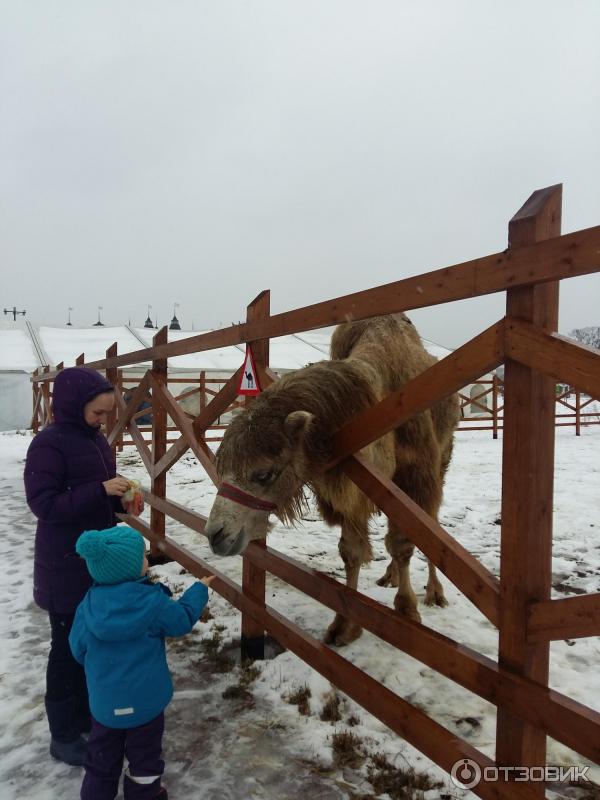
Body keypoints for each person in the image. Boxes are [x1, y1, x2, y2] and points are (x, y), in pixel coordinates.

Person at [24, 366, 139, 766]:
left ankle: (90, 715)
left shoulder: (95, 442)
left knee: (92, 646)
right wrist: (99, 491)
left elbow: (98, 493)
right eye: (98, 413)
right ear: (75, 406)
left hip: (97, 564)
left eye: (107, 414)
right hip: (64, 565)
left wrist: (118, 500)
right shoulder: (48, 444)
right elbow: (45, 505)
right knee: (66, 651)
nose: (104, 421)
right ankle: (64, 733)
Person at [69, 525, 214, 800]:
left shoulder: (88, 606)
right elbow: (181, 619)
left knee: (100, 762)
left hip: (105, 706)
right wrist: (199, 590)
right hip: (146, 706)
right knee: (145, 760)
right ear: (130, 568)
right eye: (143, 558)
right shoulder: (152, 603)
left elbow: (77, 649)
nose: (147, 560)